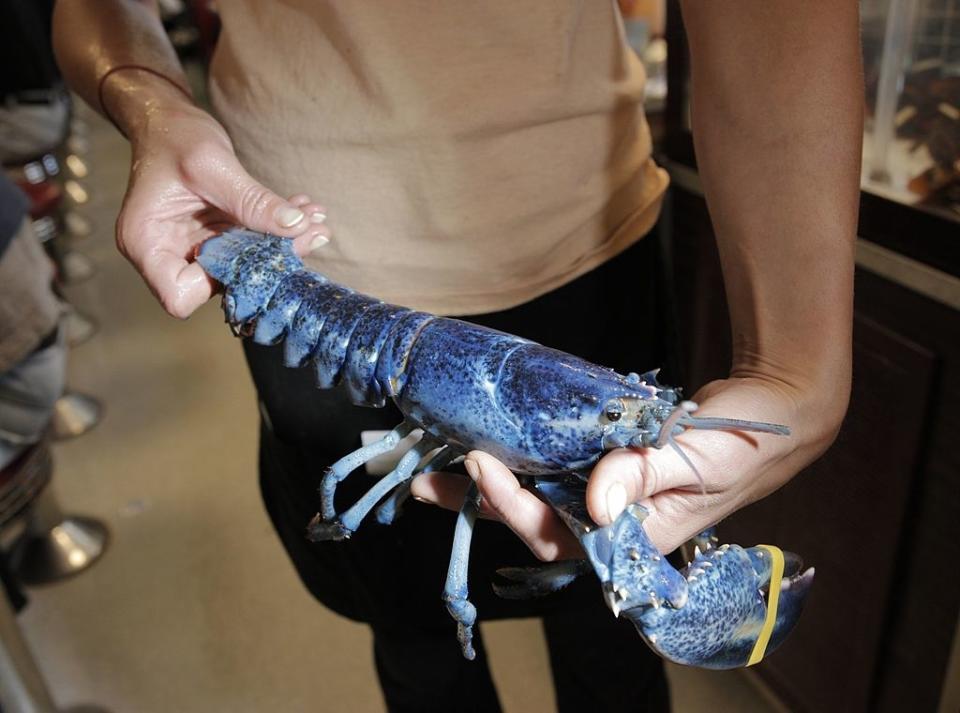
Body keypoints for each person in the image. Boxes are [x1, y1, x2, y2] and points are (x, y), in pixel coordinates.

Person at [52, 2, 862, 711]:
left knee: (605, 639)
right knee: (416, 635)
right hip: (301, 257)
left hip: (591, 240)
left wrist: (799, 366)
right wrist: (150, 102)